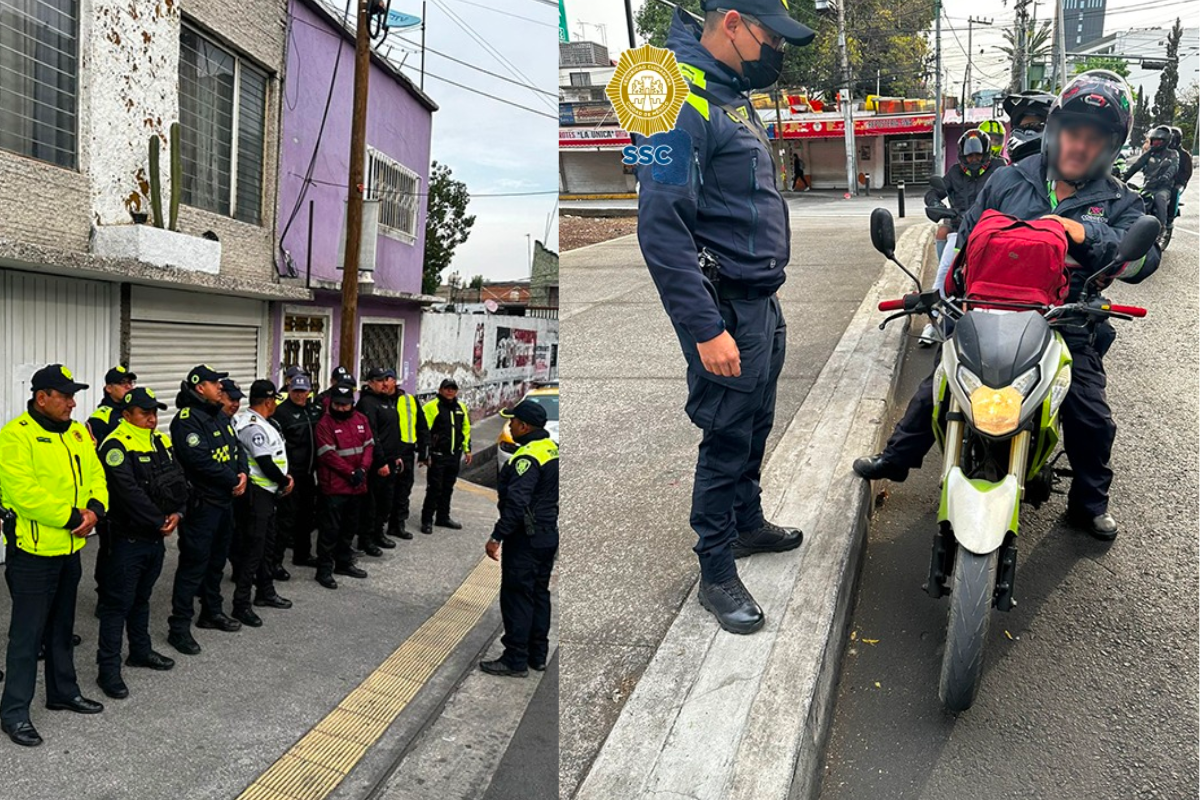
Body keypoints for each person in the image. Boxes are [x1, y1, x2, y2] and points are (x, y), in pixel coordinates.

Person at [854, 70, 1157, 541]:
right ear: (1056, 131)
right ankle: (897, 460)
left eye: (1094, 139)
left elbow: (1142, 258)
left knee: (1090, 416)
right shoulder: (1009, 180)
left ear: (1111, 146)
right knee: (938, 384)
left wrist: (1085, 233)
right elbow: (969, 237)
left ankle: (1088, 503)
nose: (1079, 146)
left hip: (1065, 321)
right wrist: (944, 292)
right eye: (1073, 133)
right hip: (988, 310)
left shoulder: (1119, 200)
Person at [633, 2, 812, 634]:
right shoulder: (672, 95)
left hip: (760, 299)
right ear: (731, 22)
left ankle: (746, 523)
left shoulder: (729, 92)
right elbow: (660, 229)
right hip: (723, 306)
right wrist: (706, 328)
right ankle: (715, 569)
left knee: (755, 423)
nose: (776, 53)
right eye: (770, 37)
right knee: (726, 435)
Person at [0, 364, 108, 747]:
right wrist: (72, 517)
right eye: (64, 396)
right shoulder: (16, 436)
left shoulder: (78, 433)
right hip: (33, 553)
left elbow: (96, 474)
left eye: (72, 395)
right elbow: (23, 492)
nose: (72, 403)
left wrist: (95, 508)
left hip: (71, 548)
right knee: (26, 637)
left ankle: (63, 692)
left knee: (62, 628)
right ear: (41, 397)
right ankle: (14, 712)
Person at [94, 387, 188, 699]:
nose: (152, 418)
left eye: (154, 412)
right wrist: (159, 520)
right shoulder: (116, 445)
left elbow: (178, 480)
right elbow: (127, 492)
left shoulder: (160, 440)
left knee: (142, 598)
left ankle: (140, 650)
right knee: (116, 604)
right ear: (127, 415)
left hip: (154, 538)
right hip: (127, 539)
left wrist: (178, 512)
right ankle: (107, 670)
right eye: (144, 413)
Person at [167, 365, 248, 655]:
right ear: (200, 387)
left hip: (225, 502)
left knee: (216, 562)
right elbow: (198, 459)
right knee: (193, 565)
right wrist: (231, 479)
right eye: (216, 384)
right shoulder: (187, 420)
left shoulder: (218, 415)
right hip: (203, 505)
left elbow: (236, 450)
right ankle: (179, 627)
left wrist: (242, 474)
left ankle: (211, 612)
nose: (221, 389)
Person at [479, 400, 560, 678]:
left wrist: (497, 536)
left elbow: (516, 503)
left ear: (524, 426)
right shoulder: (551, 449)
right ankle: (537, 655)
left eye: (513, 422)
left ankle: (515, 658)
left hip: (525, 539)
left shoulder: (527, 457)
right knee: (539, 594)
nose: (510, 425)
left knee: (517, 597)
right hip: (548, 535)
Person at [919, 128, 1000, 345]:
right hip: (961, 231)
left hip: (992, 230)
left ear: (986, 155)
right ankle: (933, 322)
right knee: (944, 274)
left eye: (978, 156)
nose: (974, 160)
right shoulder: (954, 173)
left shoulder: (1000, 169)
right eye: (970, 156)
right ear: (962, 157)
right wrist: (938, 206)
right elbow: (933, 193)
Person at [230, 380, 294, 628]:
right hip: (259, 494)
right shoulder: (252, 426)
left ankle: (265, 591)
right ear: (268, 401)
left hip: (268, 493)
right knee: (253, 550)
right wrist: (284, 480)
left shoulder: (263, 423)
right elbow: (265, 462)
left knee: (267, 545)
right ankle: (241, 604)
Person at [314, 384, 373, 588]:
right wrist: (350, 473)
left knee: (349, 528)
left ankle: (344, 563)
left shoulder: (361, 420)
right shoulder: (324, 424)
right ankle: (324, 570)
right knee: (330, 530)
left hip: (357, 485)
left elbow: (368, 446)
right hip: (335, 486)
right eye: (337, 404)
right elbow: (328, 454)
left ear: (352, 404)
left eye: (345, 405)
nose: (340, 408)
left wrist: (363, 470)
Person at [273, 373, 323, 569]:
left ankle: (303, 555)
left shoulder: (314, 410)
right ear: (289, 391)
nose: (299, 395)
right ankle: (275, 563)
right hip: (292, 474)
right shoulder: (281, 413)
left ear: (309, 392)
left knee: (306, 517)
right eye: (296, 391)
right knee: (285, 520)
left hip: (310, 474)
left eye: (303, 391)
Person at [356, 367, 403, 557]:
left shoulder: (389, 401)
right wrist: (381, 461)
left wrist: (396, 455)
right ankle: (366, 539)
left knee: (386, 501)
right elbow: (372, 436)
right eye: (379, 380)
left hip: (390, 460)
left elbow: (392, 431)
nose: (384, 383)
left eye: (386, 380)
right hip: (377, 463)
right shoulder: (368, 403)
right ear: (369, 383)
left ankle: (378, 533)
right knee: (371, 504)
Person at [419, 379, 473, 534]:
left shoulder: (460, 407)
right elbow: (424, 432)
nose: (450, 391)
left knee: (448, 488)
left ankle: (443, 517)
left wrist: (467, 450)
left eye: (453, 389)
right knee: (434, 488)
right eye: (447, 388)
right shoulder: (431, 406)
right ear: (441, 389)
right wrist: (425, 454)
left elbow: (465, 430)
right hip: (437, 455)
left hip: (454, 455)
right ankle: (427, 520)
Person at [1123, 123, 1178, 230]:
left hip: (1163, 187)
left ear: (1165, 141)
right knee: (1133, 196)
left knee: (1160, 198)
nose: (1155, 143)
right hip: (1148, 185)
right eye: (1154, 140)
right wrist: (1124, 177)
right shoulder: (1150, 153)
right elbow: (1137, 165)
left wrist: (1166, 176)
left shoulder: (1172, 154)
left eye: (1158, 141)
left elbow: (1174, 167)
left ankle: (1162, 226)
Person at [392, 378, 427, 541]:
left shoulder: (409, 400)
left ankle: (397, 524)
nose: (386, 384)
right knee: (384, 492)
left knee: (403, 489)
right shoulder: (375, 401)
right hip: (387, 453)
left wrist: (423, 452)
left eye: (390, 380)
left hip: (406, 451)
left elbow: (421, 425)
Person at [87, 365, 137, 443]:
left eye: (130, 382)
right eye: (123, 382)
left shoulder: (135, 410)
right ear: (109, 388)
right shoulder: (100, 418)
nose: (128, 386)